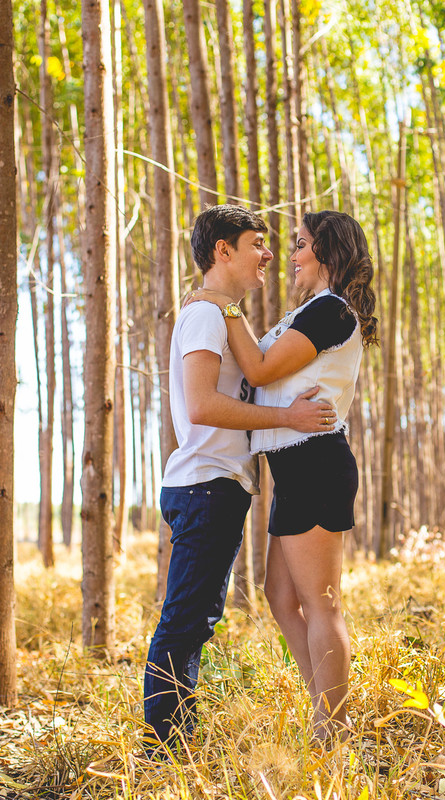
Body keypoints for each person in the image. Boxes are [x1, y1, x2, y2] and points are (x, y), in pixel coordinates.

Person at [143, 204, 337, 752]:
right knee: (186, 621)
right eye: (256, 243)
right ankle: (164, 748)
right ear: (222, 251)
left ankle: (174, 739)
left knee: (195, 619)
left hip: (216, 485)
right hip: (206, 484)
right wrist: (287, 418)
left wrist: (220, 305)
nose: (269, 254)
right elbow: (203, 405)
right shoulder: (205, 317)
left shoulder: (214, 312)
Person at [187, 210, 378, 742]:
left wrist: (222, 304)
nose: (291, 255)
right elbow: (260, 374)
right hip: (293, 465)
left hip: (316, 460)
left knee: (321, 602)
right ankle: (324, 705)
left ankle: (332, 731)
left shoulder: (332, 311)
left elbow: (261, 370)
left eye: (300, 245)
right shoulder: (312, 310)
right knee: (279, 596)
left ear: (328, 252)